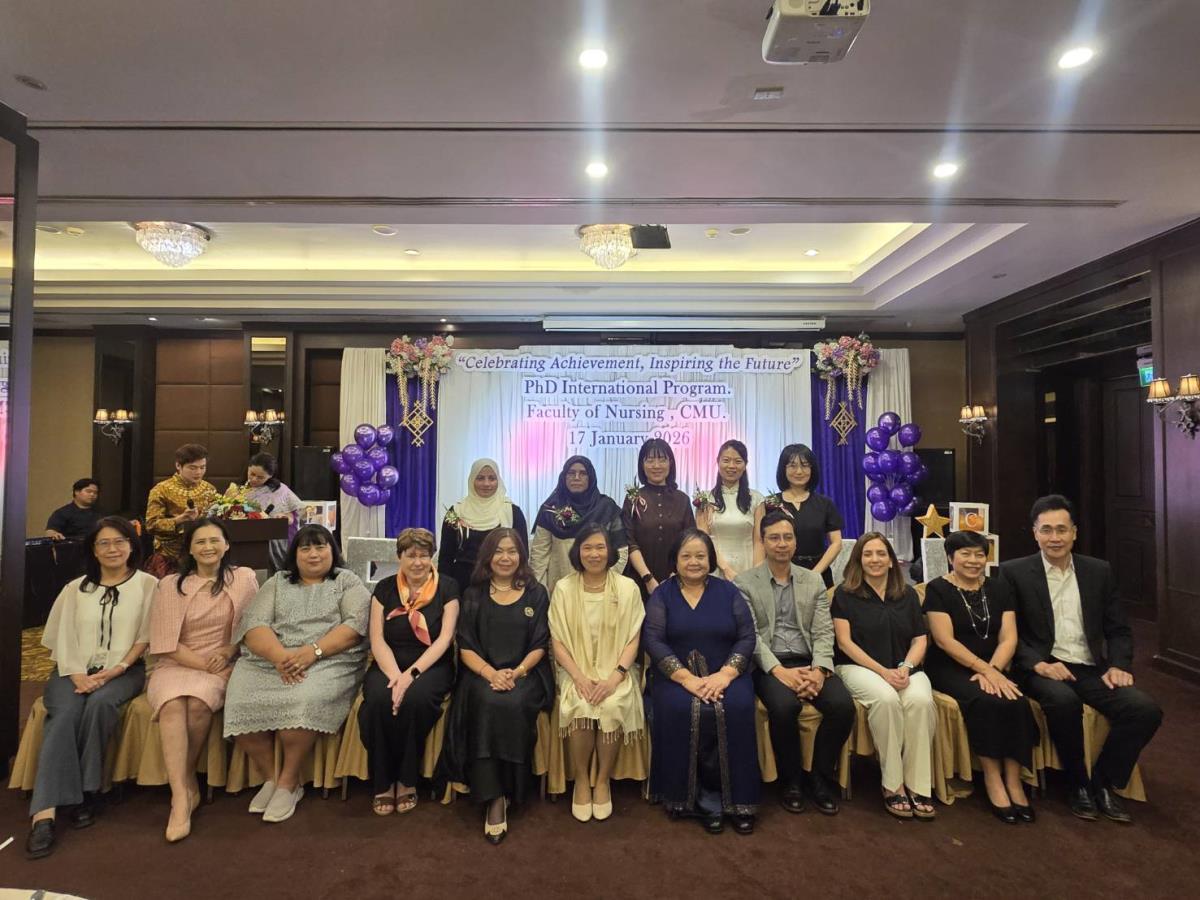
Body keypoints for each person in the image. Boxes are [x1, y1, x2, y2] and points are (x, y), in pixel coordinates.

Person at [1001, 494, 1163, 824]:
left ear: (1074, 532)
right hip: (1042, 667)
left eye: (1062, 529)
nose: (1055, 538)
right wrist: (1038, 664)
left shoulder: (1098, 571)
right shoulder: (1014, 572)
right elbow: (1008, 634)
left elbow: (1118, 629)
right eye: (1047, 530)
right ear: (1035, 533)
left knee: (1145, 710)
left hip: (1090, 667)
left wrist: (1118, 665)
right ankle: (1077, 784)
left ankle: (1102, 781)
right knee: (1064, 702)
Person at [25, 517, 157, 860]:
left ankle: (87, 790)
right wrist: (76, 674)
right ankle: (45, 814)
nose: (113, 549)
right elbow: (62, 636)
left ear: (132, 546)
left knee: (101, 705)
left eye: (120, 542)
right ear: (93, 550)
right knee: (63, 715)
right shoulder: (75, 589)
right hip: (72, 670)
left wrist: (117, 669)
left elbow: (145, 637)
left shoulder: (148, 585)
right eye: (104, 543)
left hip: (125, 670)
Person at [223, 525, 370, 824]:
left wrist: (312, 652)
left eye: (320, 547)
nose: (313, 554)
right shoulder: (278, 582)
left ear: (333, 550)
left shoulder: (346, 581)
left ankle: (289, 783)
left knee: (302, 700)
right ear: (294, 554)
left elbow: (355, 626)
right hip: (271, 660)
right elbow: (254, 624)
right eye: (305, 548)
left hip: (328, 660)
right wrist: (281, 657)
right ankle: (271, 777)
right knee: (239, 701)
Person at [735, 510, 855, 815]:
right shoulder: (745, 583)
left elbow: (824, 631)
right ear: (763, 542)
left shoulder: (812, 580)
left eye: (787, 537)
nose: (781, 543)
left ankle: (819, 777)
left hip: (809, 660)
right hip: (769, 664)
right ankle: (791, 781)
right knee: (785, 706)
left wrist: (820, 670)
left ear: (795, 541)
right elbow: (750, 636)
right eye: (774, 538)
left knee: (842, 706)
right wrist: (779, 672)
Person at [146, 518, 258, 841]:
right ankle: (182, 796)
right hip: (175, 663)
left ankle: (184, 783)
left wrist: (228, 651)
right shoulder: (170, 585)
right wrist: (203, 665)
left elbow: (251, 626)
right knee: (171, 704)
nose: (208, 547)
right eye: (200, 542)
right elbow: (164, 641)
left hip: (222, 662)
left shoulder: (244, 578)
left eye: (214, 540)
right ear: (190, 549)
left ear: (227, 545)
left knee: (197, 704)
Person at [439, 528, 553, 843]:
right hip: (480, 674)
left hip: (526, 674)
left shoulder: (536, 593)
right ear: (488, 556)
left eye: (512, 551)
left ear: (522, 555)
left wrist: (516, 672)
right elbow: (465, 646)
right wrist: (491, 674)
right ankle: (494, 796)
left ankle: (513, 788)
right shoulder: (473, 594)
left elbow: (540, 644)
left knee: (512, 703)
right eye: (499, 551)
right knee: (488, 701)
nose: (505, 558)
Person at [643, 529, 760, 834]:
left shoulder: (729, 592)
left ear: (711, 559)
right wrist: (686, 679)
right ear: (675, 560)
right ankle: (699, 801)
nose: (694, 562)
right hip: (675, 677)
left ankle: (738, 801)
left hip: (727, 675)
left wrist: (725, 674)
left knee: (736, 708)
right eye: (686, 556)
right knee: (683, 710)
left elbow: (747, 636)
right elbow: (653, 640)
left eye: (700, 556)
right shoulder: (662, 594)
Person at [924, 530, 1038, 824]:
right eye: (965, 554)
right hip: (951, 666)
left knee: (1016, 701)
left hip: (996, 665)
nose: (973, 560)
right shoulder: (938, 589)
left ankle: (1013, 779)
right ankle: (992, 777)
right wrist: (984, 670)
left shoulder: (999, 588)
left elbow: (1009, 637)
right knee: (987, 701)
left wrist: (995, 670)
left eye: (979, 554)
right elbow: (944, 640)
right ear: (950, 557)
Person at [832, 532, 936, 820]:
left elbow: (920, 639)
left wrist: (905, 667)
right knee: (887, 699)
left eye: (881, 554)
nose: (875, 559)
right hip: (858, 668)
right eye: (868, 554)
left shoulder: (908, 595)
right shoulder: (845, 594)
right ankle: (892, 784)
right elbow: (844, 643)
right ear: (858, 560)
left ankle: (918, 785)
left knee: (920, 701)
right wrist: (883, 672)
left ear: (892, 560)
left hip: (904, 667)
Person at [549, 524, 645, 824]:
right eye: (587, 547)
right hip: (574, 670)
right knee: (580, 705)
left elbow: (633, 639)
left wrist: (615, 677)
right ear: (577, 551)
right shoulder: (564, 588)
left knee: (612, 703)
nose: (594, 554)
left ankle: (602, 780)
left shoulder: (627, 588)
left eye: (600, 547)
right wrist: (578, 678)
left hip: (616, 670)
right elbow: (557, 641)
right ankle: (581, 779)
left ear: (610, 551)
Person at [358, 528, 459, 817]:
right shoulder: (385, 588)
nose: (417, 562)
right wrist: (395, 677)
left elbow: (444, 640)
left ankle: (406, 779)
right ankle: (383, 781)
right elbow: (377, 639)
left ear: (432, 557)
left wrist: (410, 676)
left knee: (415, 700)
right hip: (388, 664)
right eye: (410, 555)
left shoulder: (447, 587)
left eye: (424, 555)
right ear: (399, 557)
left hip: (431, 665)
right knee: (379, 700)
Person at [530, 455, 628, 598]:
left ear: (591, 478)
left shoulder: (607, 507)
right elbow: (539, 555)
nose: (576, 477)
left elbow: (621, 551)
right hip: (559, 591)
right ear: (564, 477)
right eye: (571, 473)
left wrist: (604, 582)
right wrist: (539, 592)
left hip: (601, 591)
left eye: (583, 473)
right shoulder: (550, 509)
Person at [754, 444, 843, 588]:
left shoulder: (825, 504)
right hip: (779, 574)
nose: (799, 471)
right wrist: (758, 575)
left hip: (818, 575)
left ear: (812, 469)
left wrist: (814, 574)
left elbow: (836, 543)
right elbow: (759, 541)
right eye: (792, 466)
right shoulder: (769, 504)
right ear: (783, 469)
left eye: (805, 465)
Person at [438, 458, 529, 592]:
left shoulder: (512, 511)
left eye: (492, 478)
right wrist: (445, 592)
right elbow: (446, 557)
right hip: (462, 584)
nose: (486, 484)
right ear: (471, 480)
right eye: (480, 478)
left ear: (498, 480)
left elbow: (522, 553)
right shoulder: (456, 512)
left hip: (502, 583)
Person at [623, 439, 695, 599]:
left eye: (662, 460)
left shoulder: (682, 499)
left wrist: (675, 575)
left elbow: (690, 540)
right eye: (650, 460)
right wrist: (648, 579)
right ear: (642, 465)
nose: (656, 465)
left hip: (678, 581)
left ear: (671, 463)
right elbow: (629, 541)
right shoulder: (633, 499)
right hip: (639, 580)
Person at [145, 444, 220, 577]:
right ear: (178, 466)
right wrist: (179, 520)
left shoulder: (210, 489)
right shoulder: (161, 490)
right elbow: (151, 525)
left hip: (202, 555)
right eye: (192, 468)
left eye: (202, 467)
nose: (198, 472)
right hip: (169, 557)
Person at [696, 440, 763, 579]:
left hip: (748, 569)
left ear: (745, 465)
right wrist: (726, 569)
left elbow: (759, 541)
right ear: (718, 462)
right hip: (715, 569)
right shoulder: (705, 499)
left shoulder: (757, 499)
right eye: (726, 460)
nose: (731, 466)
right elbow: (704, 540)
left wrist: (757, 573)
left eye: (738, 461)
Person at [230, 451, 303, 537]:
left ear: (270, 476)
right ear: (248, 468)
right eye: (252, 474)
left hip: (273, 537)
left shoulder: (280, 490)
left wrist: (286, 518)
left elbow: (294, 514)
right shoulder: (235, 489)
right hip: (243, 535)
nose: (254, 479)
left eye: (260, 477)